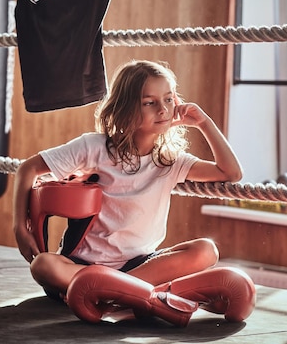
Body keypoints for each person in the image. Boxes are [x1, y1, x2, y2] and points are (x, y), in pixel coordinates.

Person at [12, 59, 243, 299]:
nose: (163, 109)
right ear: (126, 107)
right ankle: (124, 293)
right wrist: (20, 227)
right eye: (149, 103)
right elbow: (28, 169)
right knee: (43, 266)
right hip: (82, 266)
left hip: (139, 266)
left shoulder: (171, 161)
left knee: (206, 250)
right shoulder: (94, 147)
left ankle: (112, 291)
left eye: (168, 99)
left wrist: (204, 123)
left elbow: (231, 172)